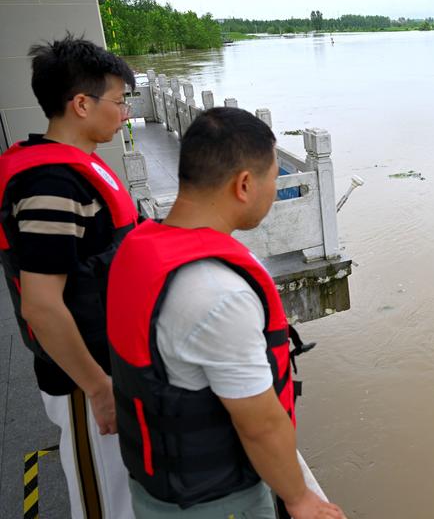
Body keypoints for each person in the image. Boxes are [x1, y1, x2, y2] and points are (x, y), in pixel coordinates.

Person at [106, 107, 346, 519]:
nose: (274, 190)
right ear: (245, 185)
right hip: (217, 502)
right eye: (274, 178)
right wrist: (300, 498)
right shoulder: (219, 294)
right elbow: (260, 424)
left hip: (156, 490)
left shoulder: (137, 248)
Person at [0, 36, 139, 518]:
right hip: (84, 377)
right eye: (119, 101)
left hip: (109, 362)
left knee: (124, 486)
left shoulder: (77, 171)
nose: (124, 113)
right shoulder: (50, 187)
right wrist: (98, 387)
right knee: (104, 498)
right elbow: (40, 304)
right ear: (82, 104)